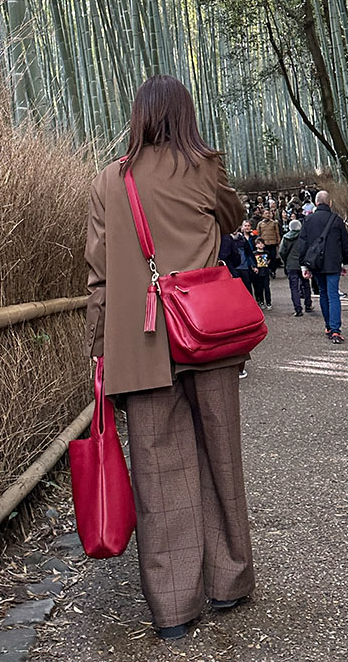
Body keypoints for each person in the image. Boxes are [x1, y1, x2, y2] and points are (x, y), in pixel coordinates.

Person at [84, 75, 254, 641]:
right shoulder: (205, 166)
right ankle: (228, 581)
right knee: (221, 458)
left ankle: (175, 608)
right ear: (185, 114)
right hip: (207, 333)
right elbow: (232, 219)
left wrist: (99, 349)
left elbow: (100, 278)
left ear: (138, 117)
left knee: (160, 475)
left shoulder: (110, 180)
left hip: (142, 345)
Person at [298, 191, 348, 344]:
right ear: (330, 203)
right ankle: (335, 330)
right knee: (333, 295)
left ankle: (328, 326)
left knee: (323, 293)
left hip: (316, 264)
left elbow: (302, 245)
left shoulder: (308, 220)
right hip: (333, 263)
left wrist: (304, 265)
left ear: (316, 203)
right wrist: (345, 262)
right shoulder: (337, 220)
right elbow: (346, 244)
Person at [279, 219, 312, 316]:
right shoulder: (304, 237)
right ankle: (308, 305)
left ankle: (298, 309)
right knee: (306, 284)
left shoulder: (286, 237)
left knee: (294, 287)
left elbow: (282, 251)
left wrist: (286, 261)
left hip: (291, 264)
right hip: (303, 264)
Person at [234, 219, 258, 295]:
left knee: (252, 284)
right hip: (239, 266)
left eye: (248, 226)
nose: (247, 227)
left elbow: (249, 253)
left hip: (248, 264)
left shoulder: (252, 238)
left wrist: (254, 265)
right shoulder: (235, 239)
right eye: (245, 226)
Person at [257, 209, 280, 276]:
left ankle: (273, 270)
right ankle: (266, 270)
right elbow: (258, 234)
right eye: (266, 213)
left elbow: (277, 232)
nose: (267, 215)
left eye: (268, 213)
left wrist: (278, 240)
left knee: (273, 257)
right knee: (265, 258)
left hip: (273, 243)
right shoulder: (260, 224)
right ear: (263, 215)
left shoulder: (274, 223)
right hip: (264, 244)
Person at [251, 237, 272, 308]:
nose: (260, 245)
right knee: (259, 288)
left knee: (267, 288)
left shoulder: (267, 252)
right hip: (258, 273)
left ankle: (268, 302)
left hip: (265, 271)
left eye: (262, 243)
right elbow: (252, 262)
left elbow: (270, 259)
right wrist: (254, 268)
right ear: (256, 245)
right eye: (259, 244)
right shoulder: (254, 253)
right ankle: (261, 301)